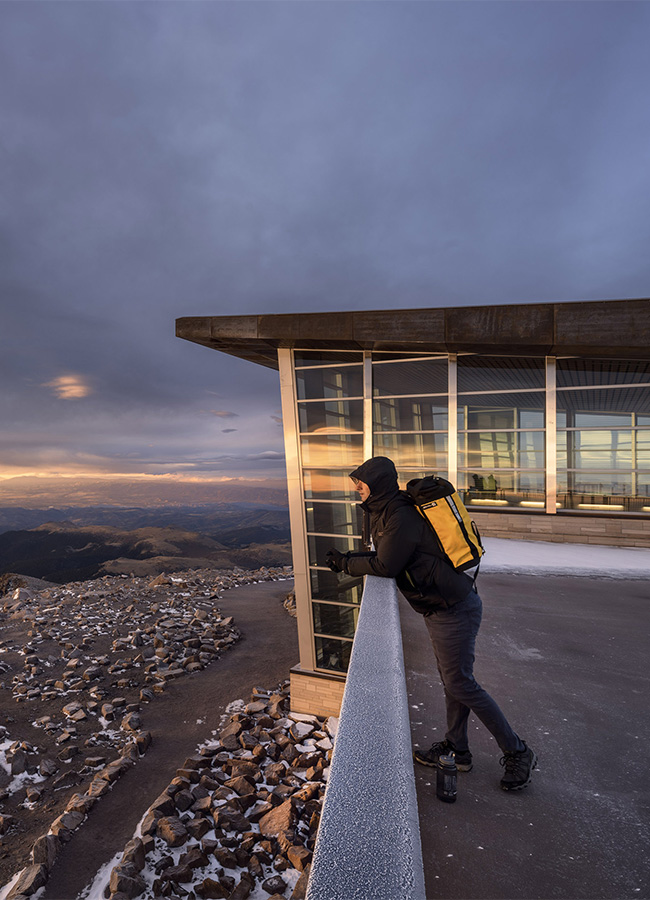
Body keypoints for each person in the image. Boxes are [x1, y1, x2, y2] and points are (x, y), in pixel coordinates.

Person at [325, 455, 537, 792]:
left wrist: (346, 564)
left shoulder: (400, 514)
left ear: (376, 483)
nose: (357, 491)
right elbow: (389, 557)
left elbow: (387, 564)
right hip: (441, 607)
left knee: (461, 684)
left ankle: (517, 751)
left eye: (360, 485)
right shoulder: (386, 511)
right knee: (454, 681)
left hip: (453, 607)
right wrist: (348, 561)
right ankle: (458, 749)